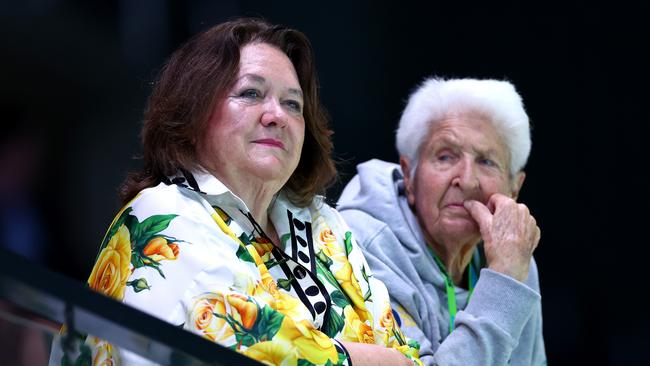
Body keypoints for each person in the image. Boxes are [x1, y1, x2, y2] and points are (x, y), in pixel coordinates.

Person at [49, 18, 421, 366]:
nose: (276, 114)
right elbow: (227, 343)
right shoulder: (160, 212)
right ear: (192, 111)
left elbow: (403, 349)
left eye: (293, 103)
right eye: (251, 93)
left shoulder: (327, 226)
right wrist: (358, 359)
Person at [337, 77, 546, 365]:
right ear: (409, 177)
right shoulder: (362, 246)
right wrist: (504, 283)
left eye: (486, 162)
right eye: (446, 157)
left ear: (514, 189)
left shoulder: (514, 258)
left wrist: (508, 273)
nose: (467, 180)